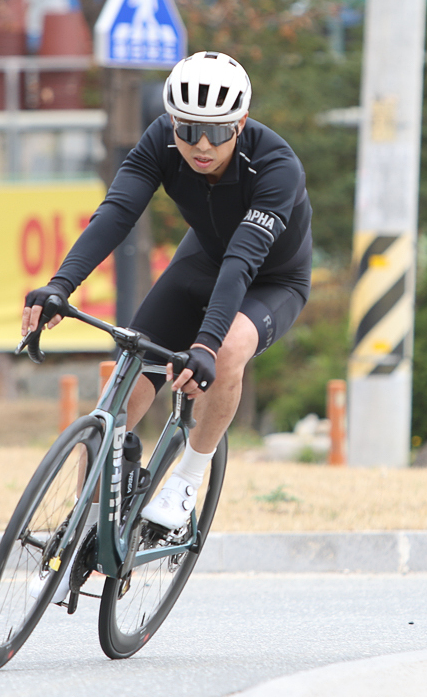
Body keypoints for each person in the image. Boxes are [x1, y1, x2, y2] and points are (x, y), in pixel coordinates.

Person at [21, 49, 310, 529]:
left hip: (270, 280)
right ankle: (83, 529)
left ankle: (186, 481)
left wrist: (206, 345)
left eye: (217, 131)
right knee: (117, 397)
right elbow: (117, 213)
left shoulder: (277, 166)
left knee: (227, 351)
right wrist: (60, 284)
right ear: (172, 121)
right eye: (188, 129)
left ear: (240, 125)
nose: (201, 145)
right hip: (202, 262)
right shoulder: (160, 139)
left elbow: (242, 260)